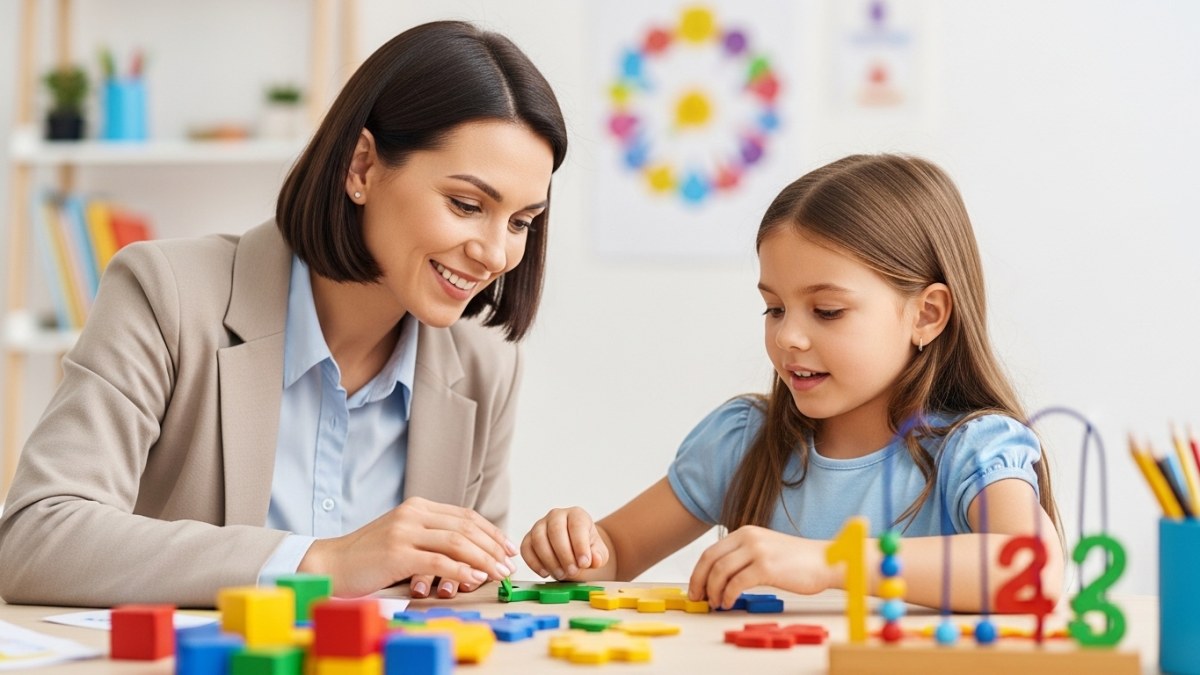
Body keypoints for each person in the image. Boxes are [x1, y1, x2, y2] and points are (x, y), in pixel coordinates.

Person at [0, 20, 567, 608]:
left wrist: (540, 562)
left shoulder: (484, 367)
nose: (496, 253)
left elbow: (464, 603)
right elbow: (38, 536)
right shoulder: (166, 296)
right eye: (466, 204)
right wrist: (322, 562)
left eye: (522, 221)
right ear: (362, 168)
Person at [521, 154, 1063, 612]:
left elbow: (1032, 571)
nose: (789, 338)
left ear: (927, 314)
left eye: (827, 311)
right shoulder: (743, 441)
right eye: (774, 308)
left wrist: (831, 563)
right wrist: (577, 547)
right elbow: (617, 551)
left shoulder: (971, 451)